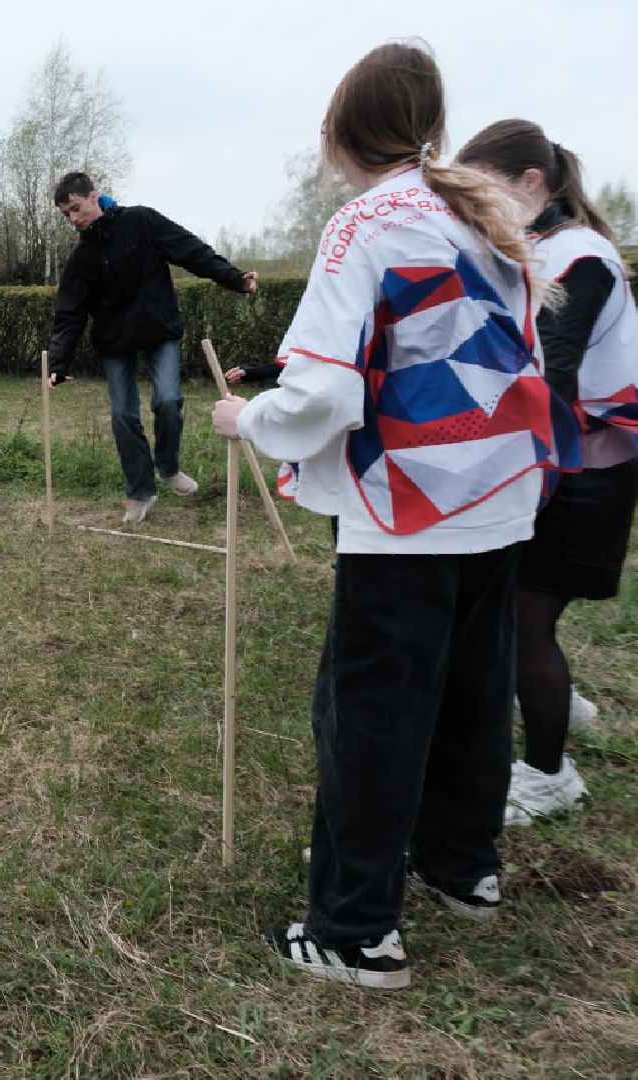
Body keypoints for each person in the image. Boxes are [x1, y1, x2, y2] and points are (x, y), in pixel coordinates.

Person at [210, 42, 578, 990]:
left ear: (338, 133)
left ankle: (353, 931)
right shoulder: (476, 212)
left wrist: (248, 417)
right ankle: (464, 868)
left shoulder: (363, 226)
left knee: (371, 712)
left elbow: (322, 395)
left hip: (408, 511)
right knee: (467, 693)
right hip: (499, 499)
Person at [456, 120, 638, 826]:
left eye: (487, 193)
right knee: (519, 609)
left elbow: (553, 370)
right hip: (566, 456)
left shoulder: (578, 254)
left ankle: (546, 773)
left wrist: (513, 465)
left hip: (585, 463)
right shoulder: (540, 247)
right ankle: (552, 699)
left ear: (531, 183)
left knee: (523, 618)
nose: (479, 210)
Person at [47, 172, 258, 523]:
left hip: (159, 328)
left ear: (94, 196)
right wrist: (59, 361)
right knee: (123, 415)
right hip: (115, 340)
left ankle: (169, 467)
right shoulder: (81, 257)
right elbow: (69, 312)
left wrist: (233, 278)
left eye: (76, 208)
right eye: (65, 214)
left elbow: (190, 250)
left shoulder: (141, 221)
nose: (73, 218)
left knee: (168, 399)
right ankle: (140, 491)